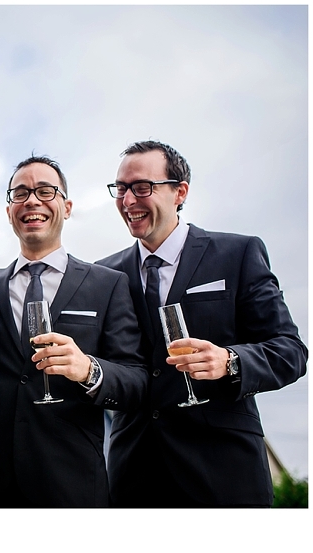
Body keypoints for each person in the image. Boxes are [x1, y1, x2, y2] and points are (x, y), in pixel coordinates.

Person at [96, 140, 307, 507]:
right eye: (121, 189)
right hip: (135, 477)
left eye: (142, 187)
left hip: (224, 472)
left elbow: (291, 352)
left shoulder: (237, 254)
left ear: (180, 192)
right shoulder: (104, 275)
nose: (128, 201)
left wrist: (229, 361)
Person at [0, 155, 147, 507]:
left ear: (66, 207)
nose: (32, 200)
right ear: (9, 211)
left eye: (45, 191)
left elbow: (137, 383)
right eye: (20, 193)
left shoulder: (107, 285)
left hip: (73, 483)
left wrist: (89, 370)